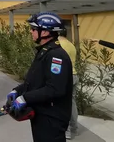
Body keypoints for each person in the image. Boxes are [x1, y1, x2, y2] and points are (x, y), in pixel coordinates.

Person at [7, 12, 73, 142]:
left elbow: (54, 89)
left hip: (52, 118)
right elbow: (35, 81)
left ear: (44, 32)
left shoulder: (56, 56)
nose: (31, 32)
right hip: (42, 114)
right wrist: (17, 91)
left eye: (33, 29)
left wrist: (24, 98)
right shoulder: (45, 51)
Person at [58, 29, 78, 139]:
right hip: (74, 75)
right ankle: (74, 128)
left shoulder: (60, 45)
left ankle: (67, 131)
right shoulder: (71, 45)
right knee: (72, 103)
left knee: (64, 105)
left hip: (65, 77)